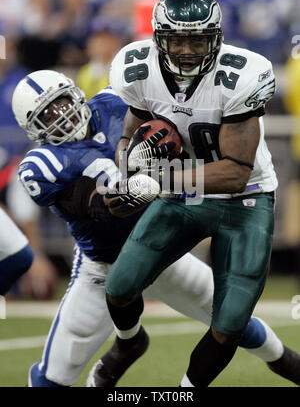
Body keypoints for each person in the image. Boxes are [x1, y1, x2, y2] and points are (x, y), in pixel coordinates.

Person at [12, 69, 300, 387]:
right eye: (47, 116)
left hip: (160, 251)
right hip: (103, 268)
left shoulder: (115, 101)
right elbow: (88, 204)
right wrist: (125, 193)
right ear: (33, 129)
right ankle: (129, 341)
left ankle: (291, 364)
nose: (62, 118)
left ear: (75, 94)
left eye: (62, 104)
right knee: (52, 378)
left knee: (234, 321)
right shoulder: (42, 164)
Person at [95, 0, 282, 387]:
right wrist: (127, 169)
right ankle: (128, 342)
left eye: (197, 39)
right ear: (159, 38)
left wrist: (155, 181)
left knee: (229, 323)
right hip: (184, 193)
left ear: (215, 38)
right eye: (176, 39)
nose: (185, 50)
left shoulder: (241, 75)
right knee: (119, 286)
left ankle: (184, 392)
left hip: (243, 200)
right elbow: (132, 132)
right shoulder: (137, 68)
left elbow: (235, 172)